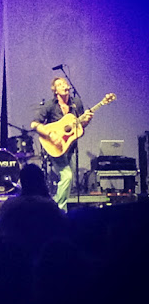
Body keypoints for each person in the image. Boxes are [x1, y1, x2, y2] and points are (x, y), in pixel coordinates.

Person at [31, 77, 94, 212]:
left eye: (65, 83)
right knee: (67, 176)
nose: (64, 85)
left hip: (69, 147)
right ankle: (59, 210)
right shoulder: (50, 105)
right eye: (60, 84)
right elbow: (34, 124)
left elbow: (80, 126)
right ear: (55, 91)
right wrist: (50, 134)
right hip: (54, 147)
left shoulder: (76, 103)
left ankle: (55, 206)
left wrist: (87, 120)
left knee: (68, 180)